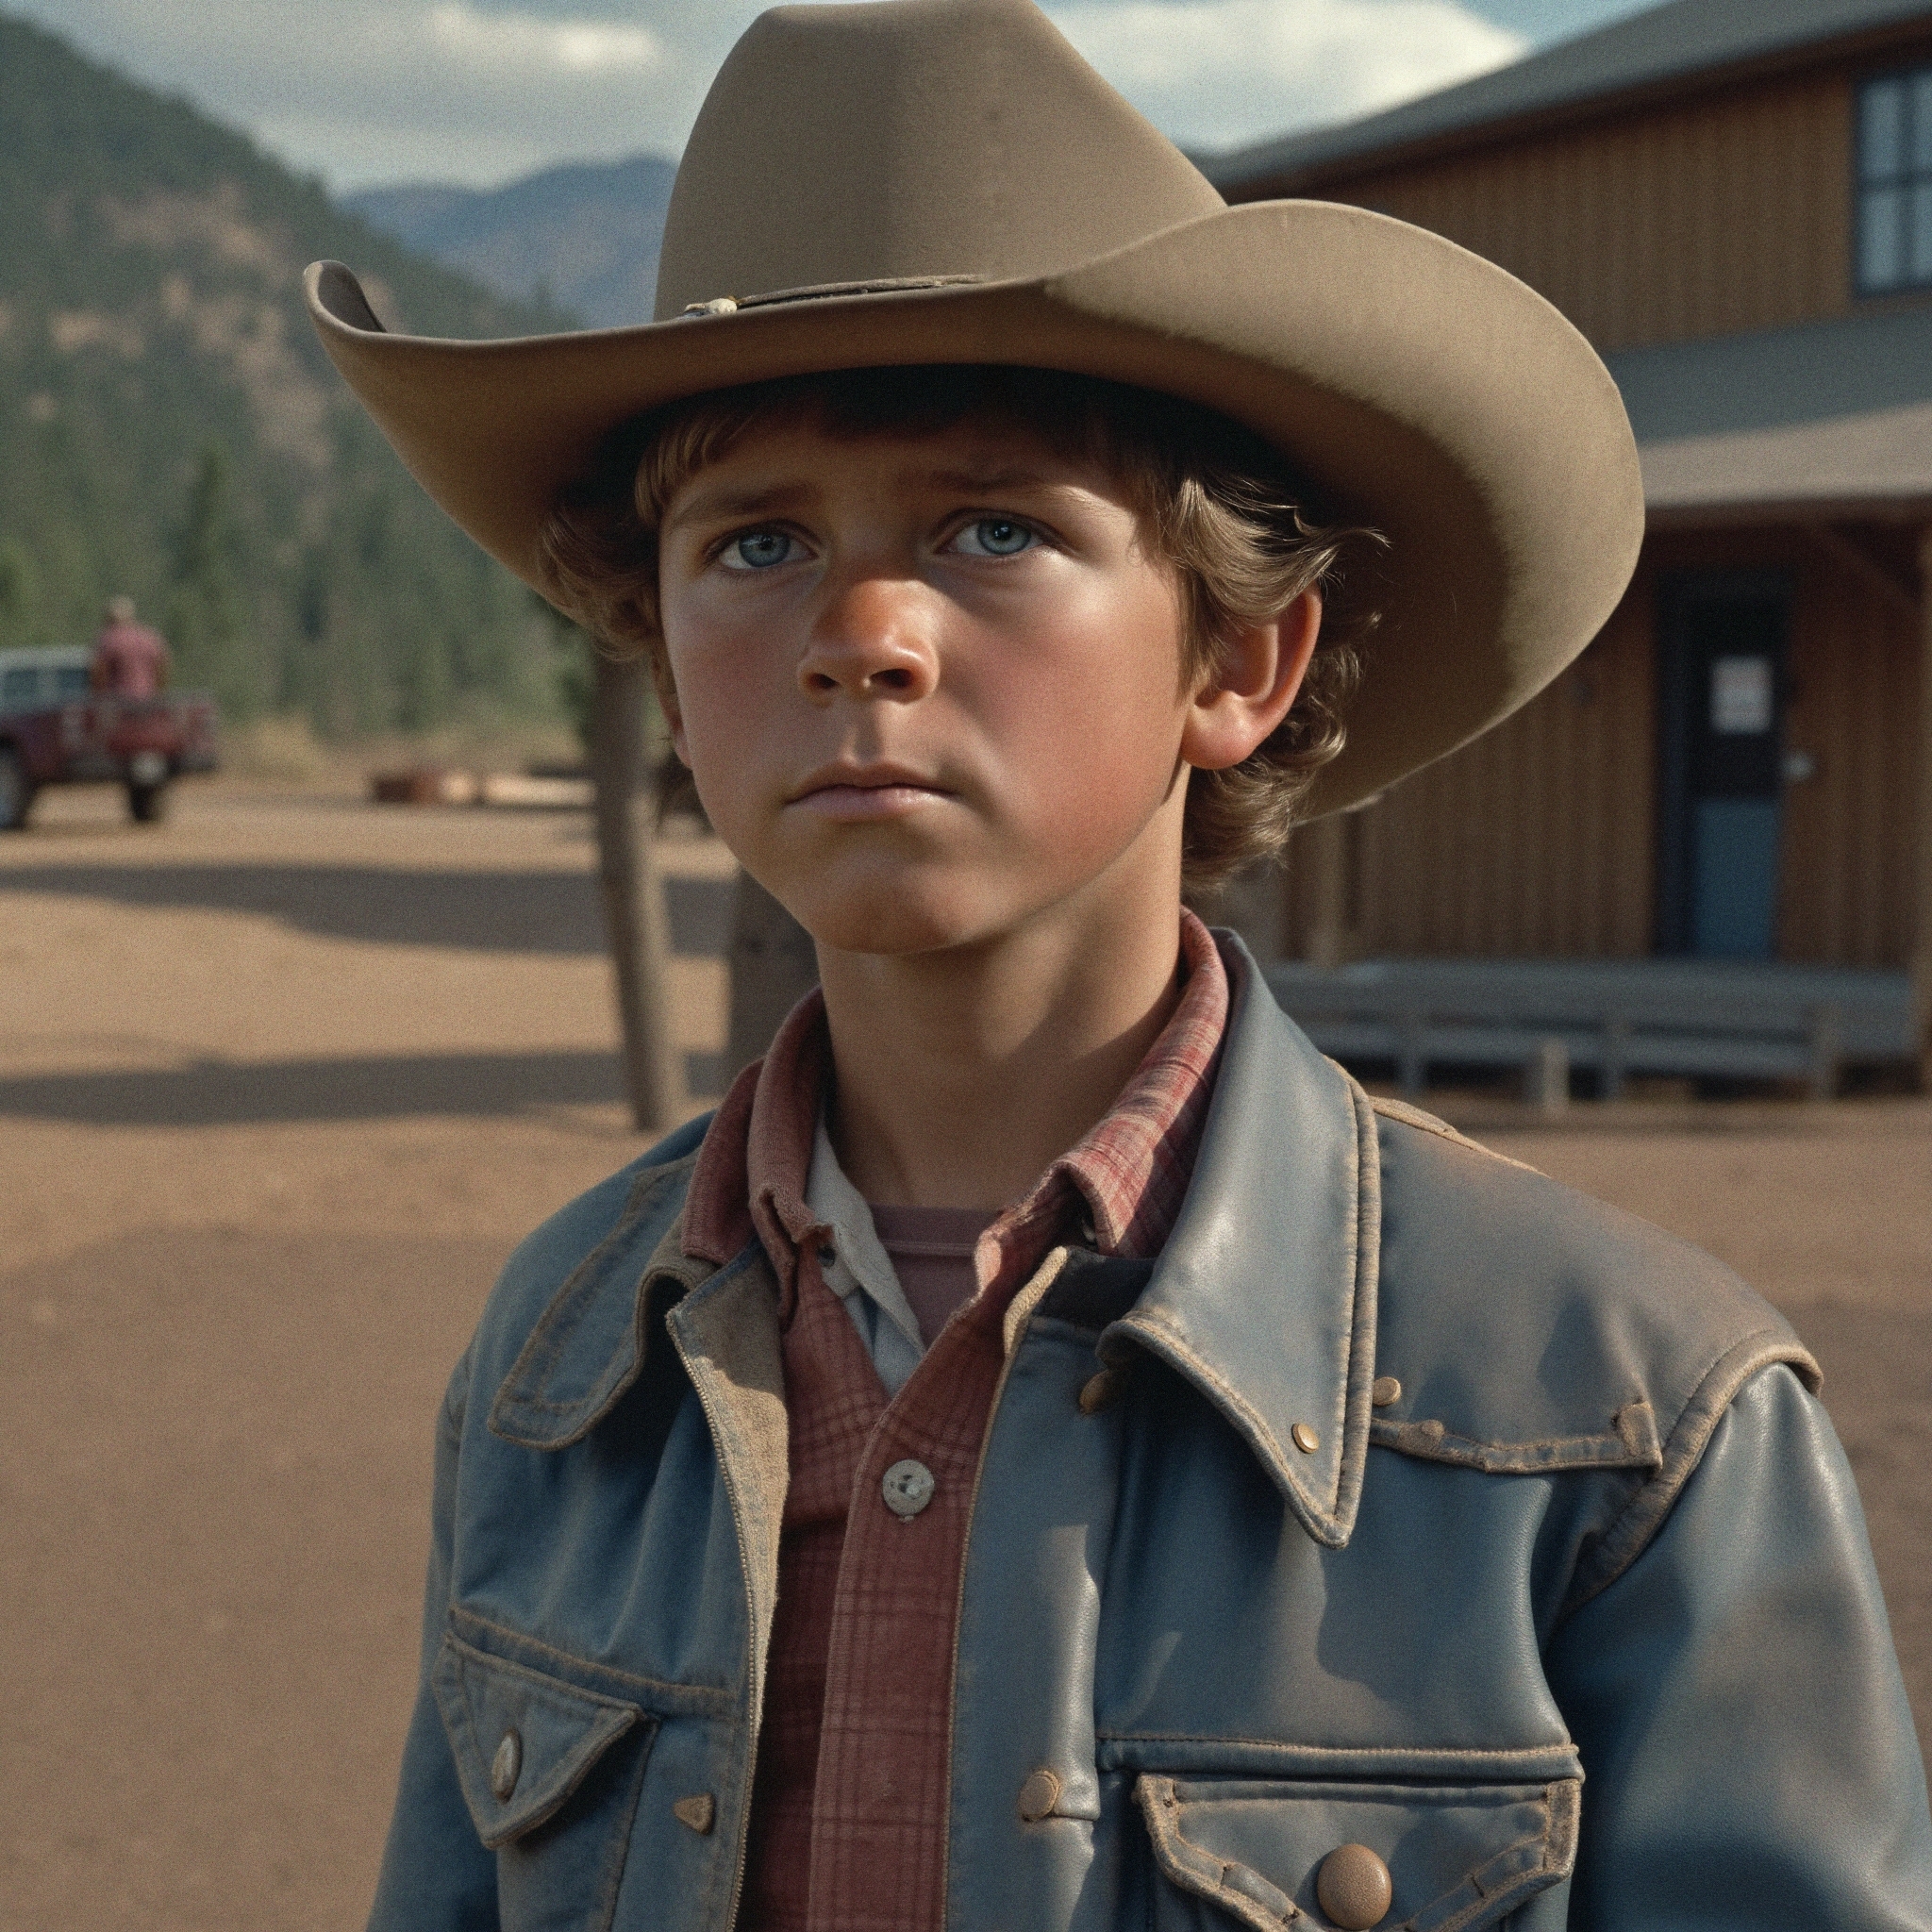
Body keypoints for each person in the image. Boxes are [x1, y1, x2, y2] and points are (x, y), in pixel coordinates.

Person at [308, 3, 1932, 1927]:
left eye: (993, 526)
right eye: (753, 544)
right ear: (667, 663)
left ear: (1237, 662)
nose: (862, 634)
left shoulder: (1617, 1419)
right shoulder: (557, 1361)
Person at [90, 595, 170, 698]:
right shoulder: (150, 638)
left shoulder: (109, 639)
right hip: (149, 703)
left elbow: (99, 676)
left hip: (120, 705)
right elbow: (162, 670)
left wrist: (98, 700)